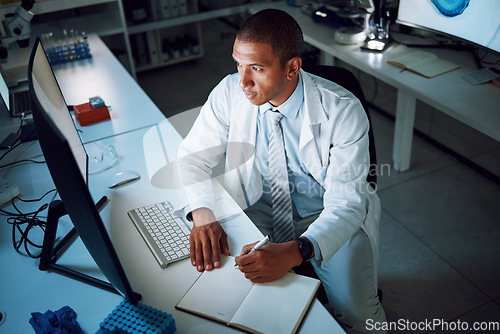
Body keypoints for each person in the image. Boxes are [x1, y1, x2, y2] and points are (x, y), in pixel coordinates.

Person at [175, 8, 386, 333]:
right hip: (256, 215)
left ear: (292, 68)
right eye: (239, 65)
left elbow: (346, 204)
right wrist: (203, 213)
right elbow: (192, 156)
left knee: (359, 317)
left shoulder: (343, 110)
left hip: (328, 218)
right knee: (237, 304)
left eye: (256, 68)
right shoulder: (230, 92)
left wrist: (297, 250)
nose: (243, 81)